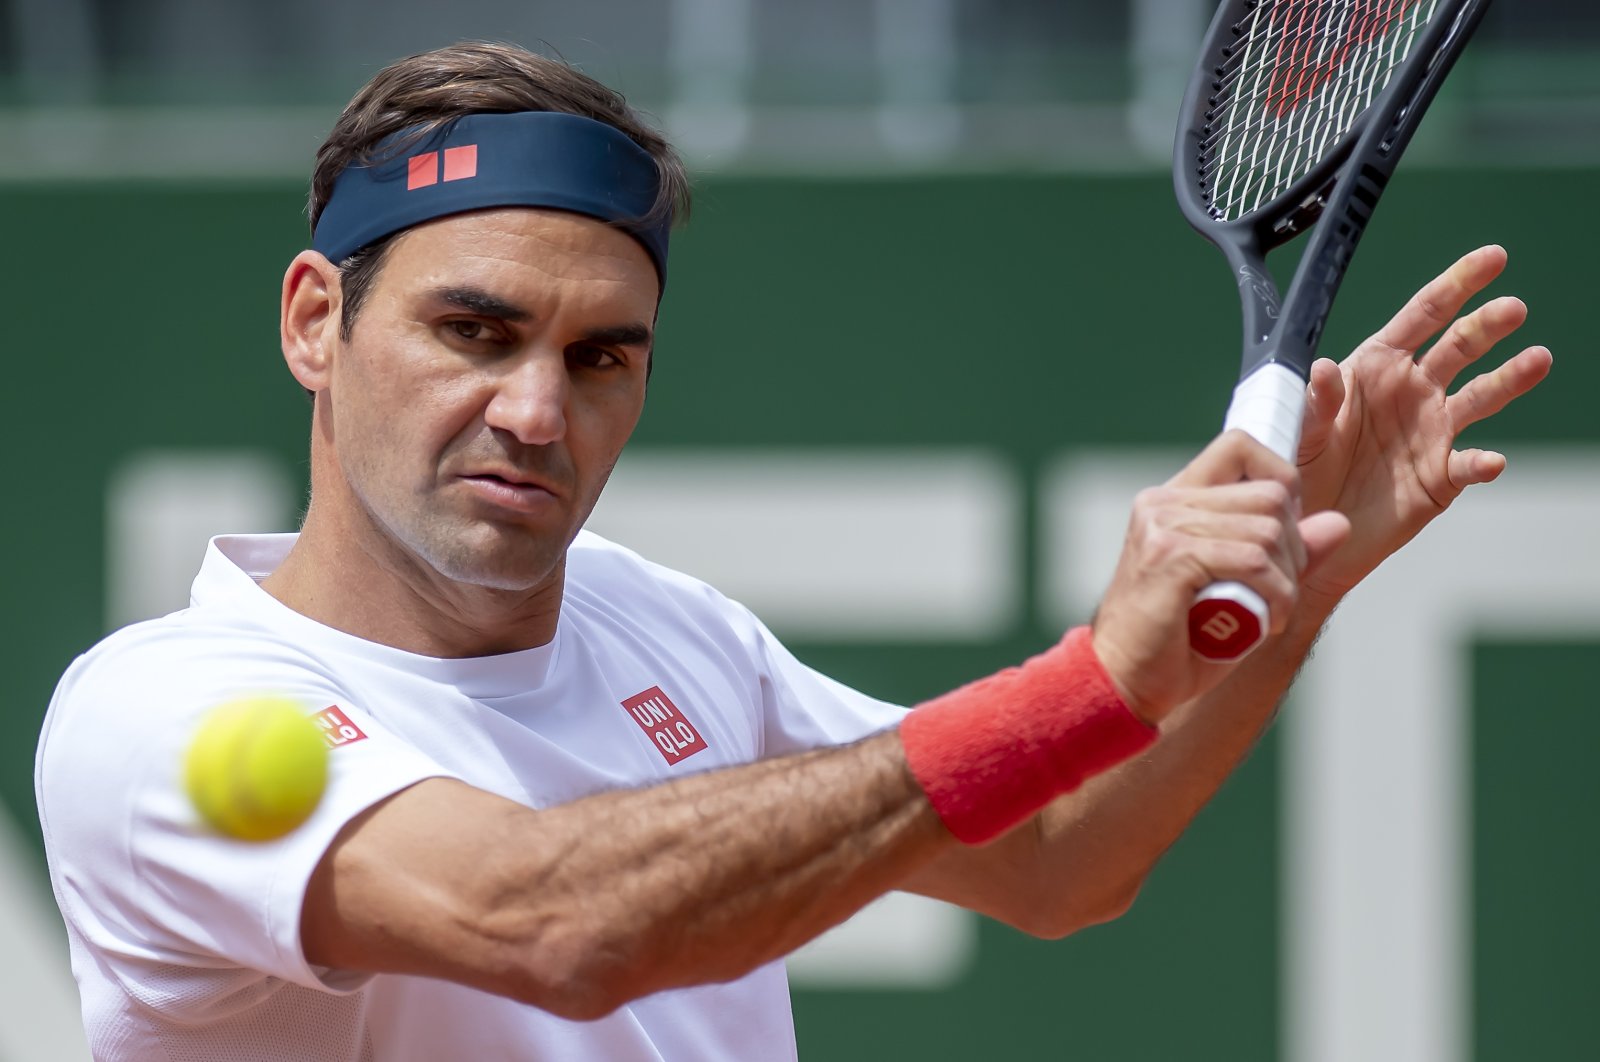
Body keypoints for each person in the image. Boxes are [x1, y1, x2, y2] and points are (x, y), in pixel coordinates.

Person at [35, 40, 1550, 1062]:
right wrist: (1092, 675)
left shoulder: (666, 627)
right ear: (318, 319)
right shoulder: (157, 718)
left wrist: (1295, 591)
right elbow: (552, 922)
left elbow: (1058, 858)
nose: (535, 408)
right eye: (473, 330)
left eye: (603, 355)